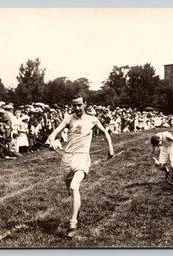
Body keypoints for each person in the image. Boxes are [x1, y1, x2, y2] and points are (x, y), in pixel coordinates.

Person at [48, 94, 114, 238]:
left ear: (85, 104)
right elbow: (53, 134)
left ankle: (72, 224)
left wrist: (110, 148)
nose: (77, 108)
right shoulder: (68, 118)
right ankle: (76, 211)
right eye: (74, 105)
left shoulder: (92, 119)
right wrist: (52, 142)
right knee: (71, 192)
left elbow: (105, 133)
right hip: (67, 158)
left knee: (74, 187)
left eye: (79, 105)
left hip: (82, 157)